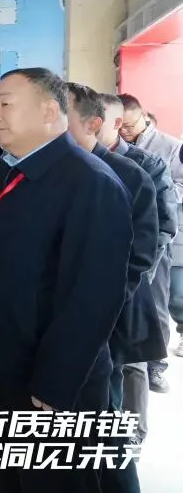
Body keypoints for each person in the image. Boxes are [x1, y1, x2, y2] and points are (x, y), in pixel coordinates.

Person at [0, 69, 132, 493]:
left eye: (6, 104)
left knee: (51, 483)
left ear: (50, 111)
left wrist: (56, 382)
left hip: (47, 381)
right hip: (2, 363)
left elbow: (93, 297)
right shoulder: (11, 171)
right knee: (10, 476)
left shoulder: (89, 182)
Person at [67, 83, 159, 493]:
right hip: (63, 323)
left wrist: (98, 310)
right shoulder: (50, 171)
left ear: (94, 123)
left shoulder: (129, 175)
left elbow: (140, 255)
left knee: (104, 420)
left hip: (107, 322)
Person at [97, 92, 179, 447]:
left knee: (132, 359)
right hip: (97, 280)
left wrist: (138, 272)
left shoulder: (146, 164)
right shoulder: (79, 162)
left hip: (138, 277)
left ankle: (133, 432)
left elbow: (163, 226)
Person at [119, 93, 183, 391]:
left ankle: (156, 366)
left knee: (157, 303)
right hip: (126, 233)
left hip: (158, 233)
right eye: (120, 126)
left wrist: (152, 188)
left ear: (142, 117)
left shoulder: (169, 147)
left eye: (129, 126)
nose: (125, 131)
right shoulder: (115, 147)